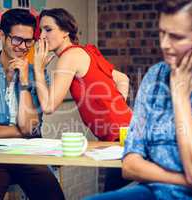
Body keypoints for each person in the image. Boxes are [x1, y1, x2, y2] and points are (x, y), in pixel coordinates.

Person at [85, 0, 192, 199]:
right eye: (162, 33)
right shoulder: (155, 76)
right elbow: (130, 165)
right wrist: (183, 180)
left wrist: (180, 96)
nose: (164, 45)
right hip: (162, 192)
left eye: (176, 37)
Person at [0, 8, 65, 200]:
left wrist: (24, 81)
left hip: (29, 154)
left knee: (52, 193)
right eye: (17, 39)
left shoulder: (37, 77)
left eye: (28, 41)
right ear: (2, 35)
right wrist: (19, 131)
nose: (23, 47)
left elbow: (30, 128)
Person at [31, 8, 132, 191]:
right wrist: (117, 106)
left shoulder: (69, 56)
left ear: (65, 31)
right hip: (126, 134)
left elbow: (48, 105)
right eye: (41, 31)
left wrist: (37, 67)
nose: (42, 36)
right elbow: (122, 78)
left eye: (48, 29)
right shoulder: (84, 52)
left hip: (123, 140)